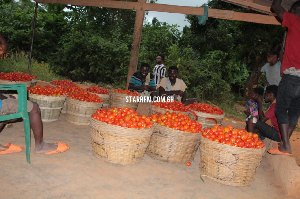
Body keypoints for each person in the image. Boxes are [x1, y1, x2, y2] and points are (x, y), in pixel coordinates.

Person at [269, 0, 300, 155]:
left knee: (281, 109)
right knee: (294, 112)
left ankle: (286, 145)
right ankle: (284, 144)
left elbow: (275, 7)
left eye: (291, 10)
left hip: (291, 76)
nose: (290, 12)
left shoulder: (295, 21)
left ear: (295, 10)